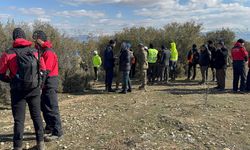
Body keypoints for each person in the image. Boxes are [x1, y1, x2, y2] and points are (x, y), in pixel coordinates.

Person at [0, 28, 45, 150]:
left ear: (14, 38)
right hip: (34, 89)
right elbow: (43, 70)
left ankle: (17, 147)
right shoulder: (35, 51)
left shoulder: (8, 53)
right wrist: (40, 85)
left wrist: (11, 80)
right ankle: (41, 144)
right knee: (36, 117)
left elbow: (1, 74)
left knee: (19, 120)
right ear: (24, 37)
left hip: (17, 91)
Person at [33, 30, 63, 141]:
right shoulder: (43, 51)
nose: (34, 41)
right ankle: (50, 127)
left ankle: (58, 132)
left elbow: (46, 71)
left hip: (50, 81)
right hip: (46, 82)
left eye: (36, 38)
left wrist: (40, 85)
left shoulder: (48, 52)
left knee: (52, 107)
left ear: (41, 39)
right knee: (44, 106)